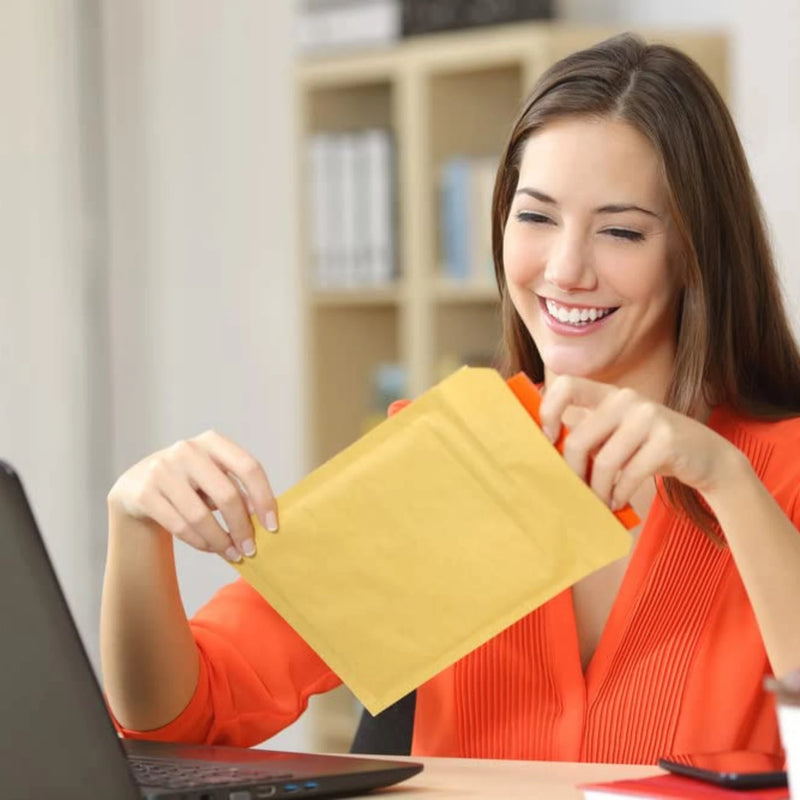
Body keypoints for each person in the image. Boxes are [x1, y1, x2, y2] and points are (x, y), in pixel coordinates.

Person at [100, 33, 800, 763]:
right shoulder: (450, 459)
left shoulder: (778, 472)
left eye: (621, 230)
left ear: (694, 253)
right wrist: (135, 520)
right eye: (535, 217)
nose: (565, 269)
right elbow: (180, 719)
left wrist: (726, 480)